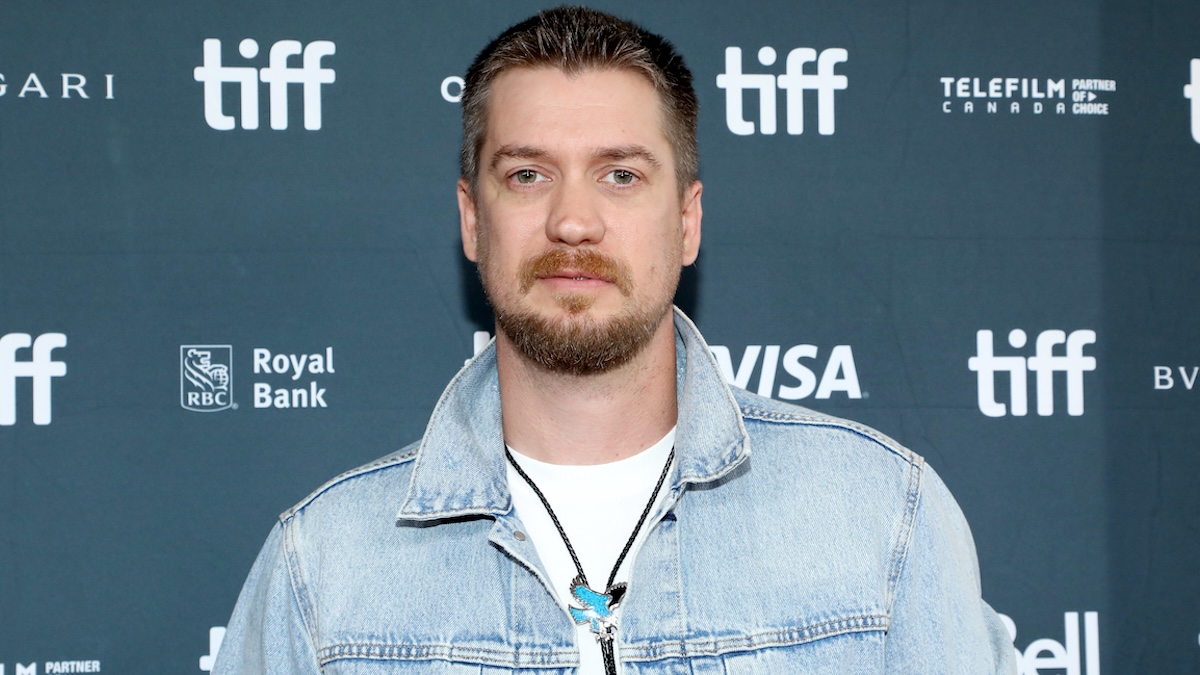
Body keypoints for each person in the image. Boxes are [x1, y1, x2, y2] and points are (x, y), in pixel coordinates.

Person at [213, 6, 1017, 674]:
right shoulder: (324, 572)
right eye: (527, 174)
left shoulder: (880, 520)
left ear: (688, 219)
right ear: (470, 218)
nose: (573, 220)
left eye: (621, 175)